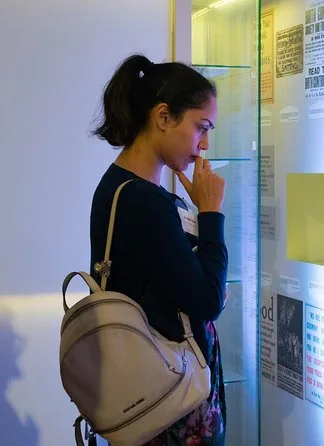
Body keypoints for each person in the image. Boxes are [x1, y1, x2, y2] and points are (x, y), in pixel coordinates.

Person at [89, 53, 228, 445]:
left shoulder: (123, 188)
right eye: (201, 127)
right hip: (166, 402)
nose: (204, 145)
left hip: (153, 392)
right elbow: (207, 299)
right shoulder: (143, 201)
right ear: (163, 116)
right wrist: (212, 214)